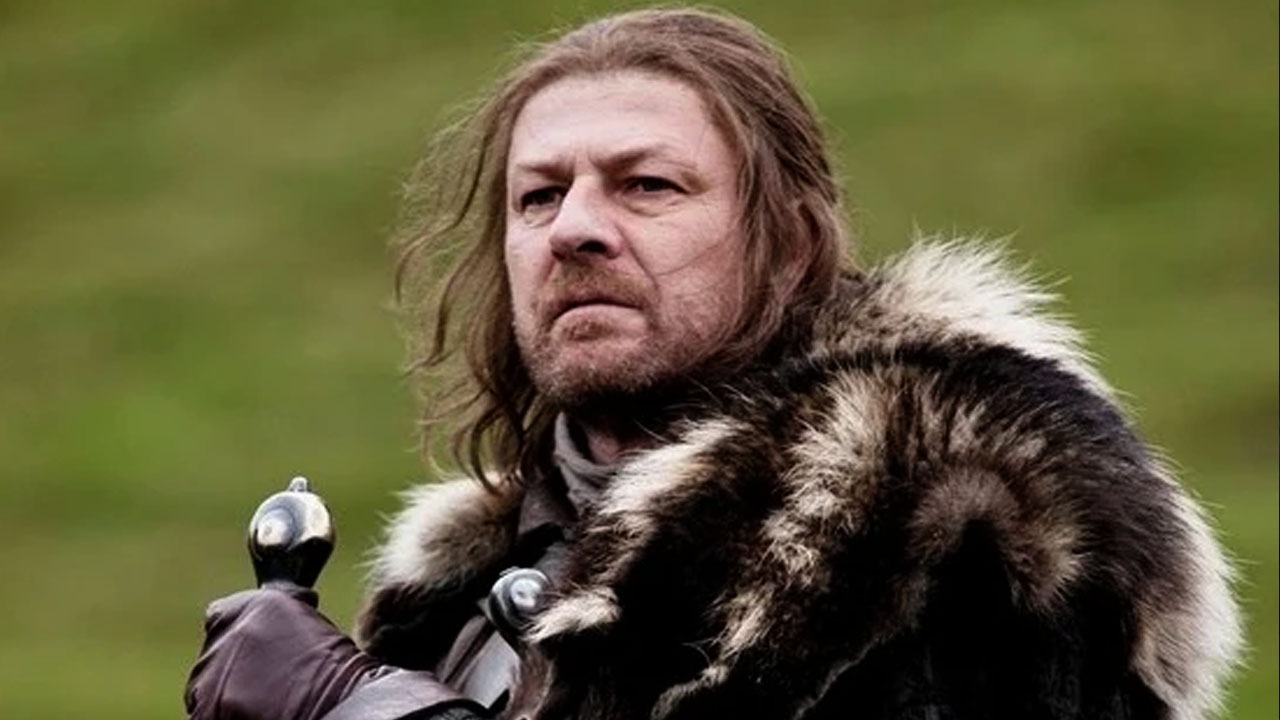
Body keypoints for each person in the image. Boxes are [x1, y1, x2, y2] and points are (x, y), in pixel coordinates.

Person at [185, 7, 1242, 720]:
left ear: (786, 244)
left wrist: (365, 710)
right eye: (538, 196)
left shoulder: (971, 493)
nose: (573, 229)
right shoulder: (460, 581)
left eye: (646, 185)